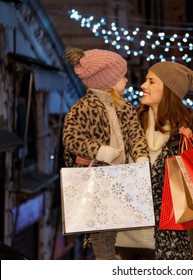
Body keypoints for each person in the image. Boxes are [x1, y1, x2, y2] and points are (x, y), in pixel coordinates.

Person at [62, 47, 149, 260]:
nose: (126, 81)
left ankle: (110, 259)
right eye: (121, 77)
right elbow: (71, 138)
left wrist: (141, 156)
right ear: (107, 81)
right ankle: (107, 261)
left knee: (114, 225)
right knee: (101, 228)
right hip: (97, 179)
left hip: (122, 177)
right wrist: (100, 151)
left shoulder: (125, 108)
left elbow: (136, 135)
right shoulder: (82, 108)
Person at [115, 61, 193, 260]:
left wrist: (188, 148)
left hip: (167, 242)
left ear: (168, 90)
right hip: (123, 239)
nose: (143, 86)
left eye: (151, 81)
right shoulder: (129, 123)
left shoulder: (183, 136)